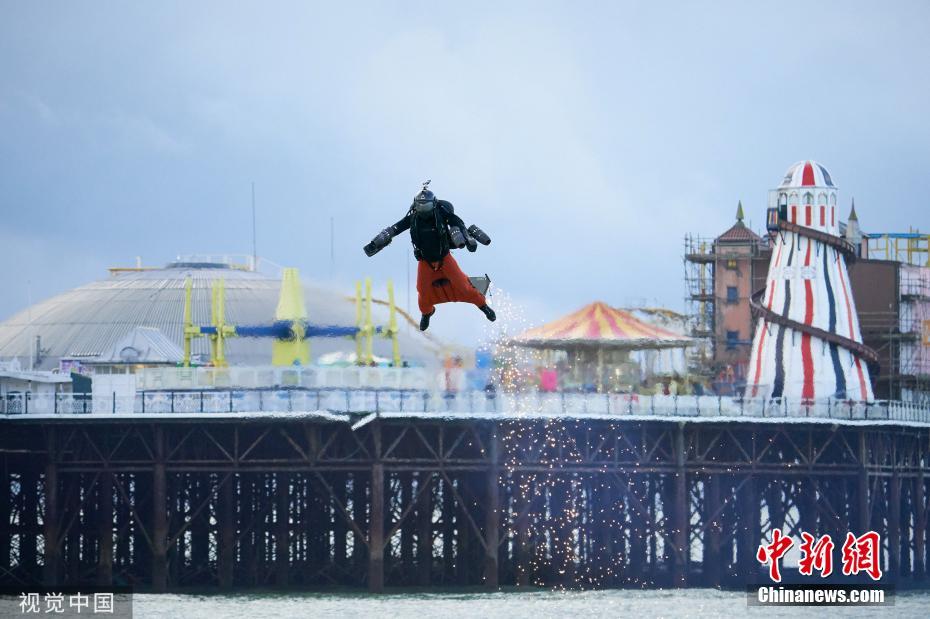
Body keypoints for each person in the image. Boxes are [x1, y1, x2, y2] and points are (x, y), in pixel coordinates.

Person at [364, 182, 496, 331]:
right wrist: (375, 243)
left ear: (433, 204)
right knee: (422, 290)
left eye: (426, 206)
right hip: (425, 261)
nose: (423, 209)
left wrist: (468, 238)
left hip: (445, 258)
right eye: (420, 206)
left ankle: (483, 307)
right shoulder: (413, 219)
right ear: (415, 205)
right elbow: (394, 229)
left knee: (463, 287)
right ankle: (427, 314)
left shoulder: (442, 215)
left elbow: (459, 223)